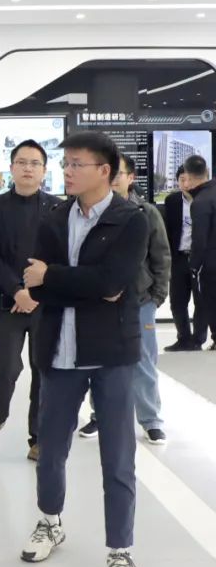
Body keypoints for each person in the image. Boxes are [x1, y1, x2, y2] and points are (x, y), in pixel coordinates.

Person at [21, 132, 149, 567]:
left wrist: (55, 277)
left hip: (111, 352)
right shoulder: (54, 218)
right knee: (50, 448)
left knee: (117, 456)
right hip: (58, 350)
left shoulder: (131, 219)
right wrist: (76, 284)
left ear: (105, 171)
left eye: (77, 164)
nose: (67, 171)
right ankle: (49, 521)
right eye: (66, 163)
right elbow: (35, 285)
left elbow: (113, 283)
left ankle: (121, 548)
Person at [77, 155, 171, 444]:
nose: (113, 178)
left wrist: (156, 296)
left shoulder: (146, 212)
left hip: (140, 301)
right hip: (101, 302)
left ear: (131, 178)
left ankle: (151, 420)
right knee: (100, 360)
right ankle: (99, 415)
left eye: (119, 173)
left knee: (143, 361)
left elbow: (161, 256)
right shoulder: (91, 211)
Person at [0, 140, 58, 462]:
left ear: (44, 171)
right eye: (22, 162)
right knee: (5, 366)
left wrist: (34, 294)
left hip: (44, 304)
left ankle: (39, 435)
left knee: (43, 369)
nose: (28, 168)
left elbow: (60, 257)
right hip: (6, 301)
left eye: (35, 163)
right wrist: (16, 291)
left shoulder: (57, 208)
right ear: (11, 168)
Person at [163, 158, 210, 351]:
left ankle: (198, 339)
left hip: (202, 258)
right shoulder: (172, 201)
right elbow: (167, 230)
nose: (186, 184)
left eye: (188, 179)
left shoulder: (206, 199)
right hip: (179, 257)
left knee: (202, 301)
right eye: (181, 179)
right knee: (177, 301)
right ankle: (183, 338)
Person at [189, 164, 216, 348]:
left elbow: (199, 239)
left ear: (189, 176)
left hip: (211, 263)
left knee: (211, 301)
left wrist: (194, 265)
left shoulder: (200, 201)